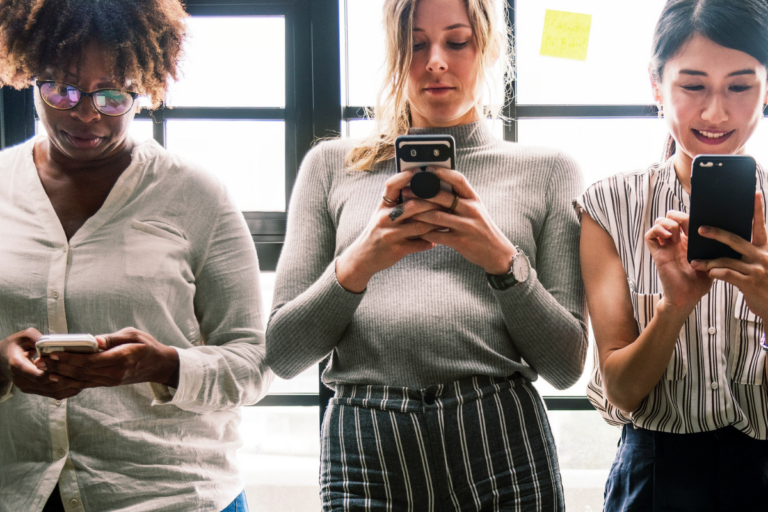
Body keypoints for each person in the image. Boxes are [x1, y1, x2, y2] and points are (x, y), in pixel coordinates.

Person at [266, 0, 587, 509]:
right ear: (394, 53)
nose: (436, 60)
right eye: (415, 44)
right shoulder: (332, 165)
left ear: (488, 49)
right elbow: (283, 354)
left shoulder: (549, 170)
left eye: (456, 42)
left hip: (498, 431)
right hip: (365, 438)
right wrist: (360, 261)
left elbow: (567, 365)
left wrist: (501, 260)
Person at [0, 1, 272, 511]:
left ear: (142, 88)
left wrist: (162, 365)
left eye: (111, 95)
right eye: (61, 88)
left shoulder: (196, 195)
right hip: (18, 490)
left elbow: (254, 362)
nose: (85, 113)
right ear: (30, 74)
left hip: (170, 496)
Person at [576, 0, 768, 509]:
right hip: (655, 476)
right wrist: (673, 306)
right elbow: (621, 391)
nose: (716, 113)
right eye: (693, 85)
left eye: (741, 86)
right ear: (656, 86)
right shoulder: (609, 204)